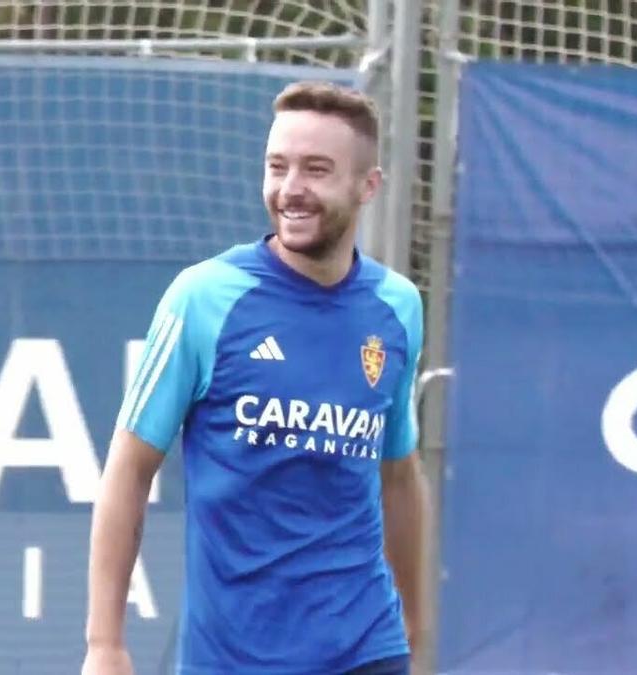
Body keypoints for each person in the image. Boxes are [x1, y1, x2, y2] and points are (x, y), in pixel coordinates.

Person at [81, 80, 431, 675]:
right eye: (278, 167)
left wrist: (417, 627)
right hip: (234, 658)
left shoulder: (397, 307)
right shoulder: (204, 298)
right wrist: (103, 644)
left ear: (367, 186)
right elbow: (129, 467)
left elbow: (399, 476)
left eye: (316, 170)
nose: (291, 190)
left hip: (366, 651)